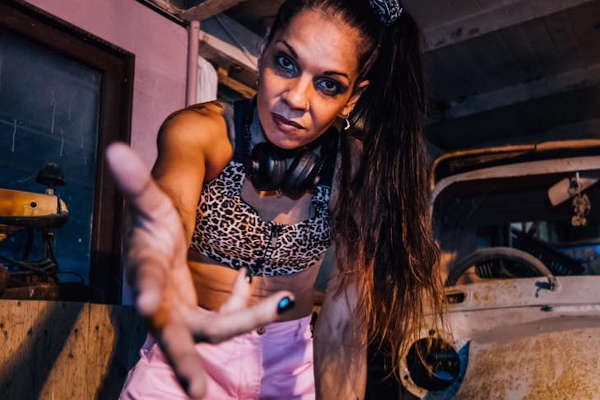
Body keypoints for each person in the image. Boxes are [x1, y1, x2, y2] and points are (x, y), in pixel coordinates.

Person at [108, 0, 444, 398]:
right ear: (265, 44)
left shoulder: (353, 173)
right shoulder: (200, 133)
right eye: (286, 63)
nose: (297, 99)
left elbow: (342, 325)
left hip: (288, 367)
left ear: (353, 97)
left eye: (328, 85)